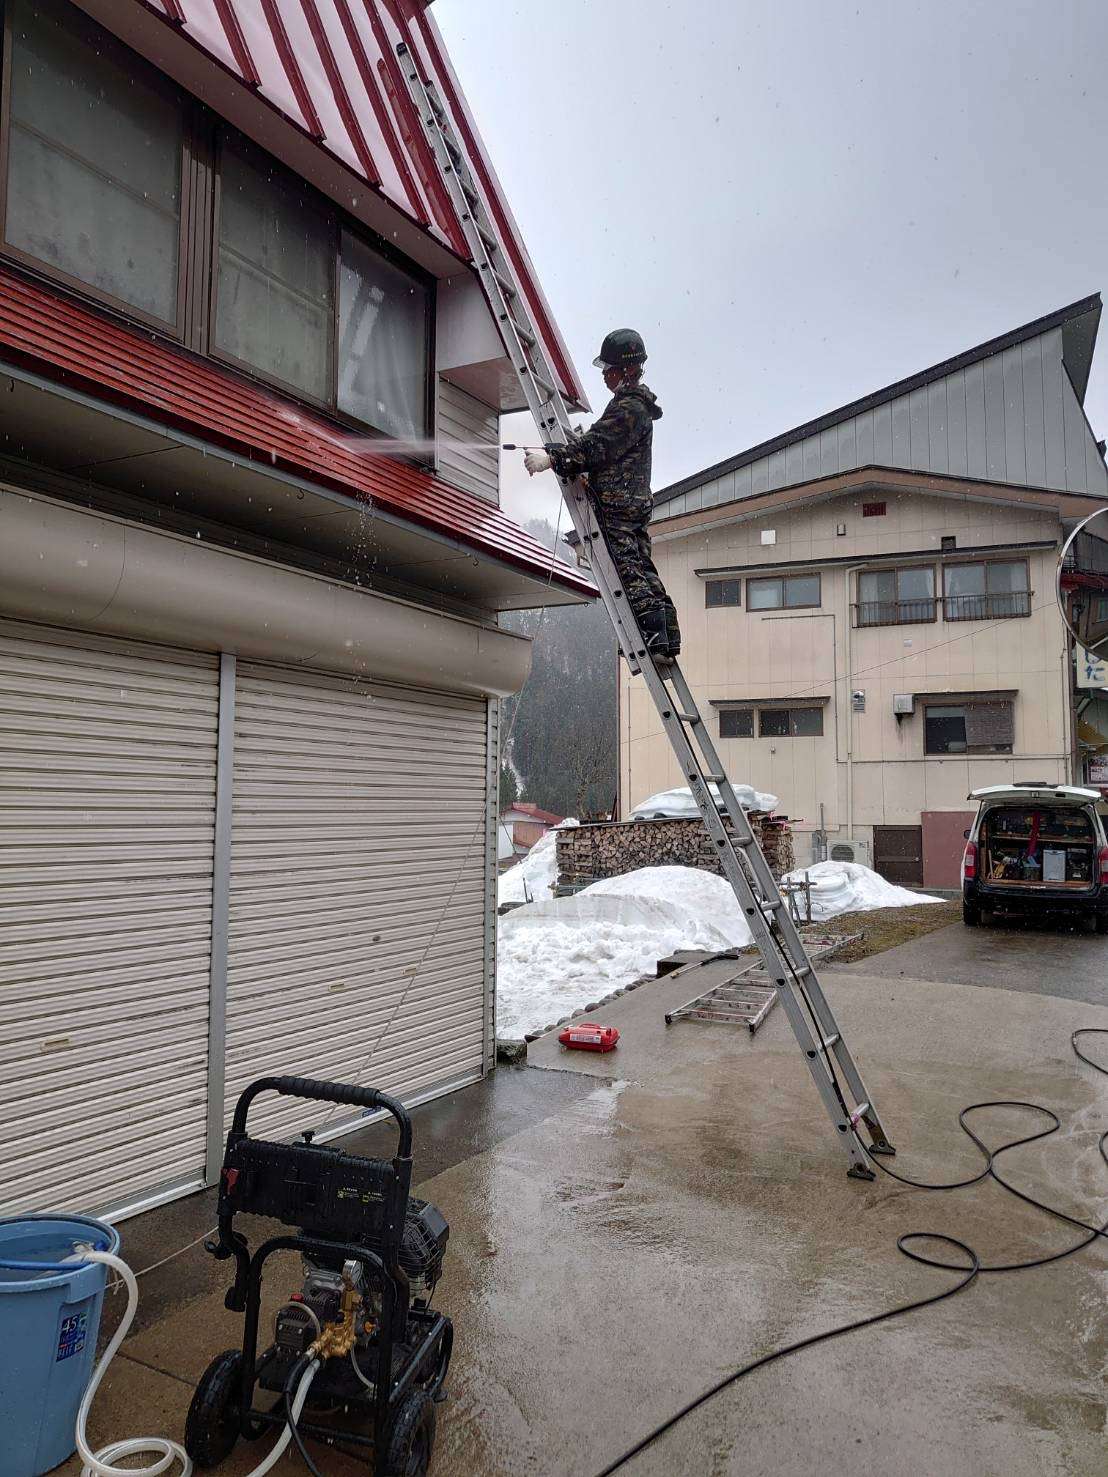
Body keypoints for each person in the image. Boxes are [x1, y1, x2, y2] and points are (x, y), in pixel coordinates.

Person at [524, 329, 681, 663]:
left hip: (618, 503)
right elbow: (600, 443)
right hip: (634, 501)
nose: (605, 376)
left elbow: (597, 446)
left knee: (627, 569)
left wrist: (552, 459)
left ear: (626, 369)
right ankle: (666, 636)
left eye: (609, 369)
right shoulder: (634, 406)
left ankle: (652, 636)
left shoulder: (628, 408)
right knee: (642, 565)